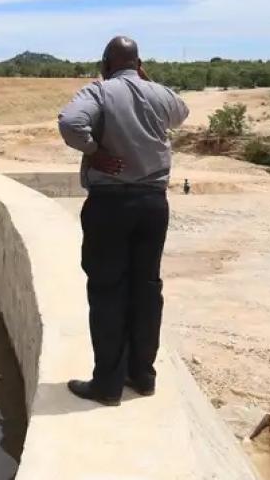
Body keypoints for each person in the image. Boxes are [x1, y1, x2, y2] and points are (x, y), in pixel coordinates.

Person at [58, 36, 189, 406]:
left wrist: (94, 152)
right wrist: (144, 80)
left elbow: (71, 123)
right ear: (139, 62)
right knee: (146, 289)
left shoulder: (99, 93)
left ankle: (107, 384)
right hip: (153, 204)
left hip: (111, 206)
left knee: (107, 291)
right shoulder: (159, 93)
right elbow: (180, 113)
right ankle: (142, 376)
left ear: (105, 62)